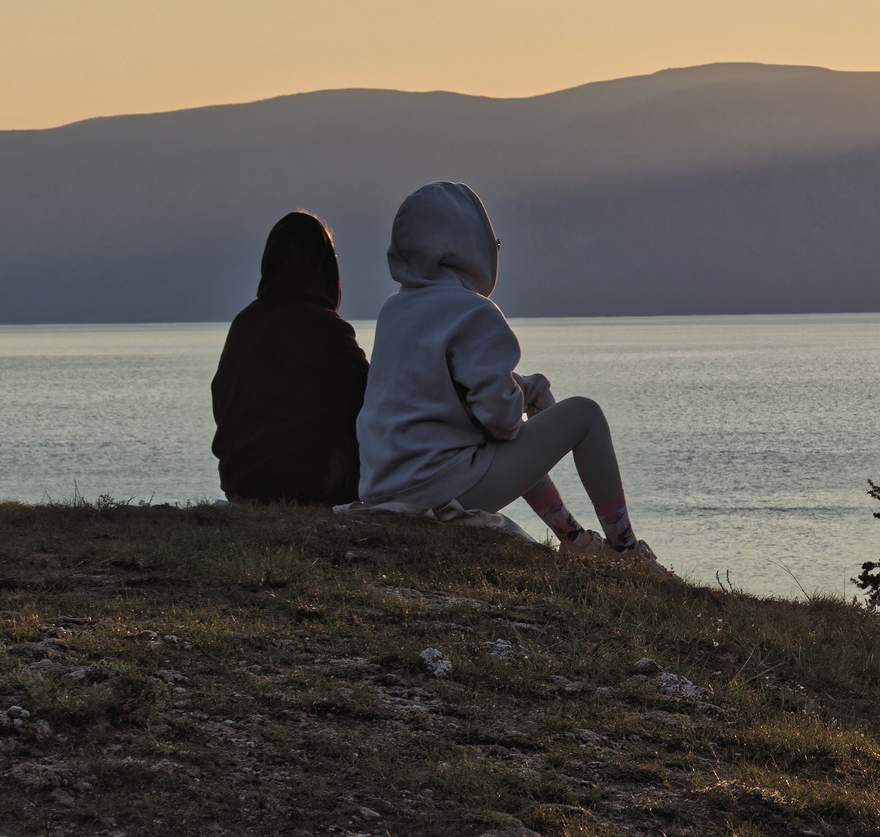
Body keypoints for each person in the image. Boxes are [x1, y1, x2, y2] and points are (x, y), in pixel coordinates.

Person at [356, 180, 671, 576]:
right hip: (438, 492)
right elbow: (502, 423)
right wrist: (527, 400)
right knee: (585, 415)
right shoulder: (474, 312)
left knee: (505, 444)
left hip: (385, 491)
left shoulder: (394, 311)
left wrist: (520, 389)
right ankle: (627, 554)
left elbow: (440, 389)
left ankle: (576, 541)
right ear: (468, 246)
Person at [210, 211, 369, 506]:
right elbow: (371, 401)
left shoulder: (244, 323)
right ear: (324, 269)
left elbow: (222, 400)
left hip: (238, 484)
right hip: (305, 484)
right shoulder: (326, 330)